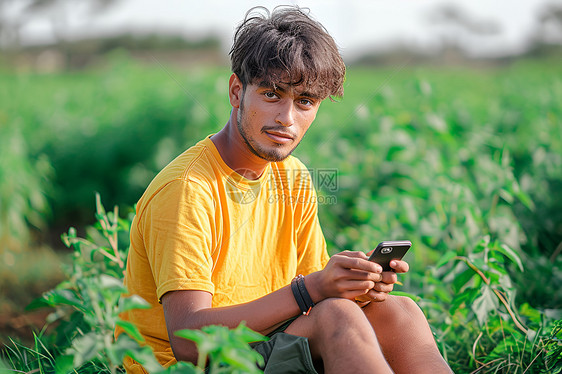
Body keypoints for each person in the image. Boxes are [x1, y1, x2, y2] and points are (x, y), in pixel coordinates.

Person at [116, 6, 452, 374]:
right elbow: (189, 343)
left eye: (305, 101)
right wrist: (313, 289)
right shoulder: (188, 188)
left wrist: (351, 286)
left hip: (258, 344)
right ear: (236, 91)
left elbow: (310, 297)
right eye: (272, 95)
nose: (287, 119)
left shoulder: (294, 177)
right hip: (192, 366)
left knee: (399, 311)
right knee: (335, 317)